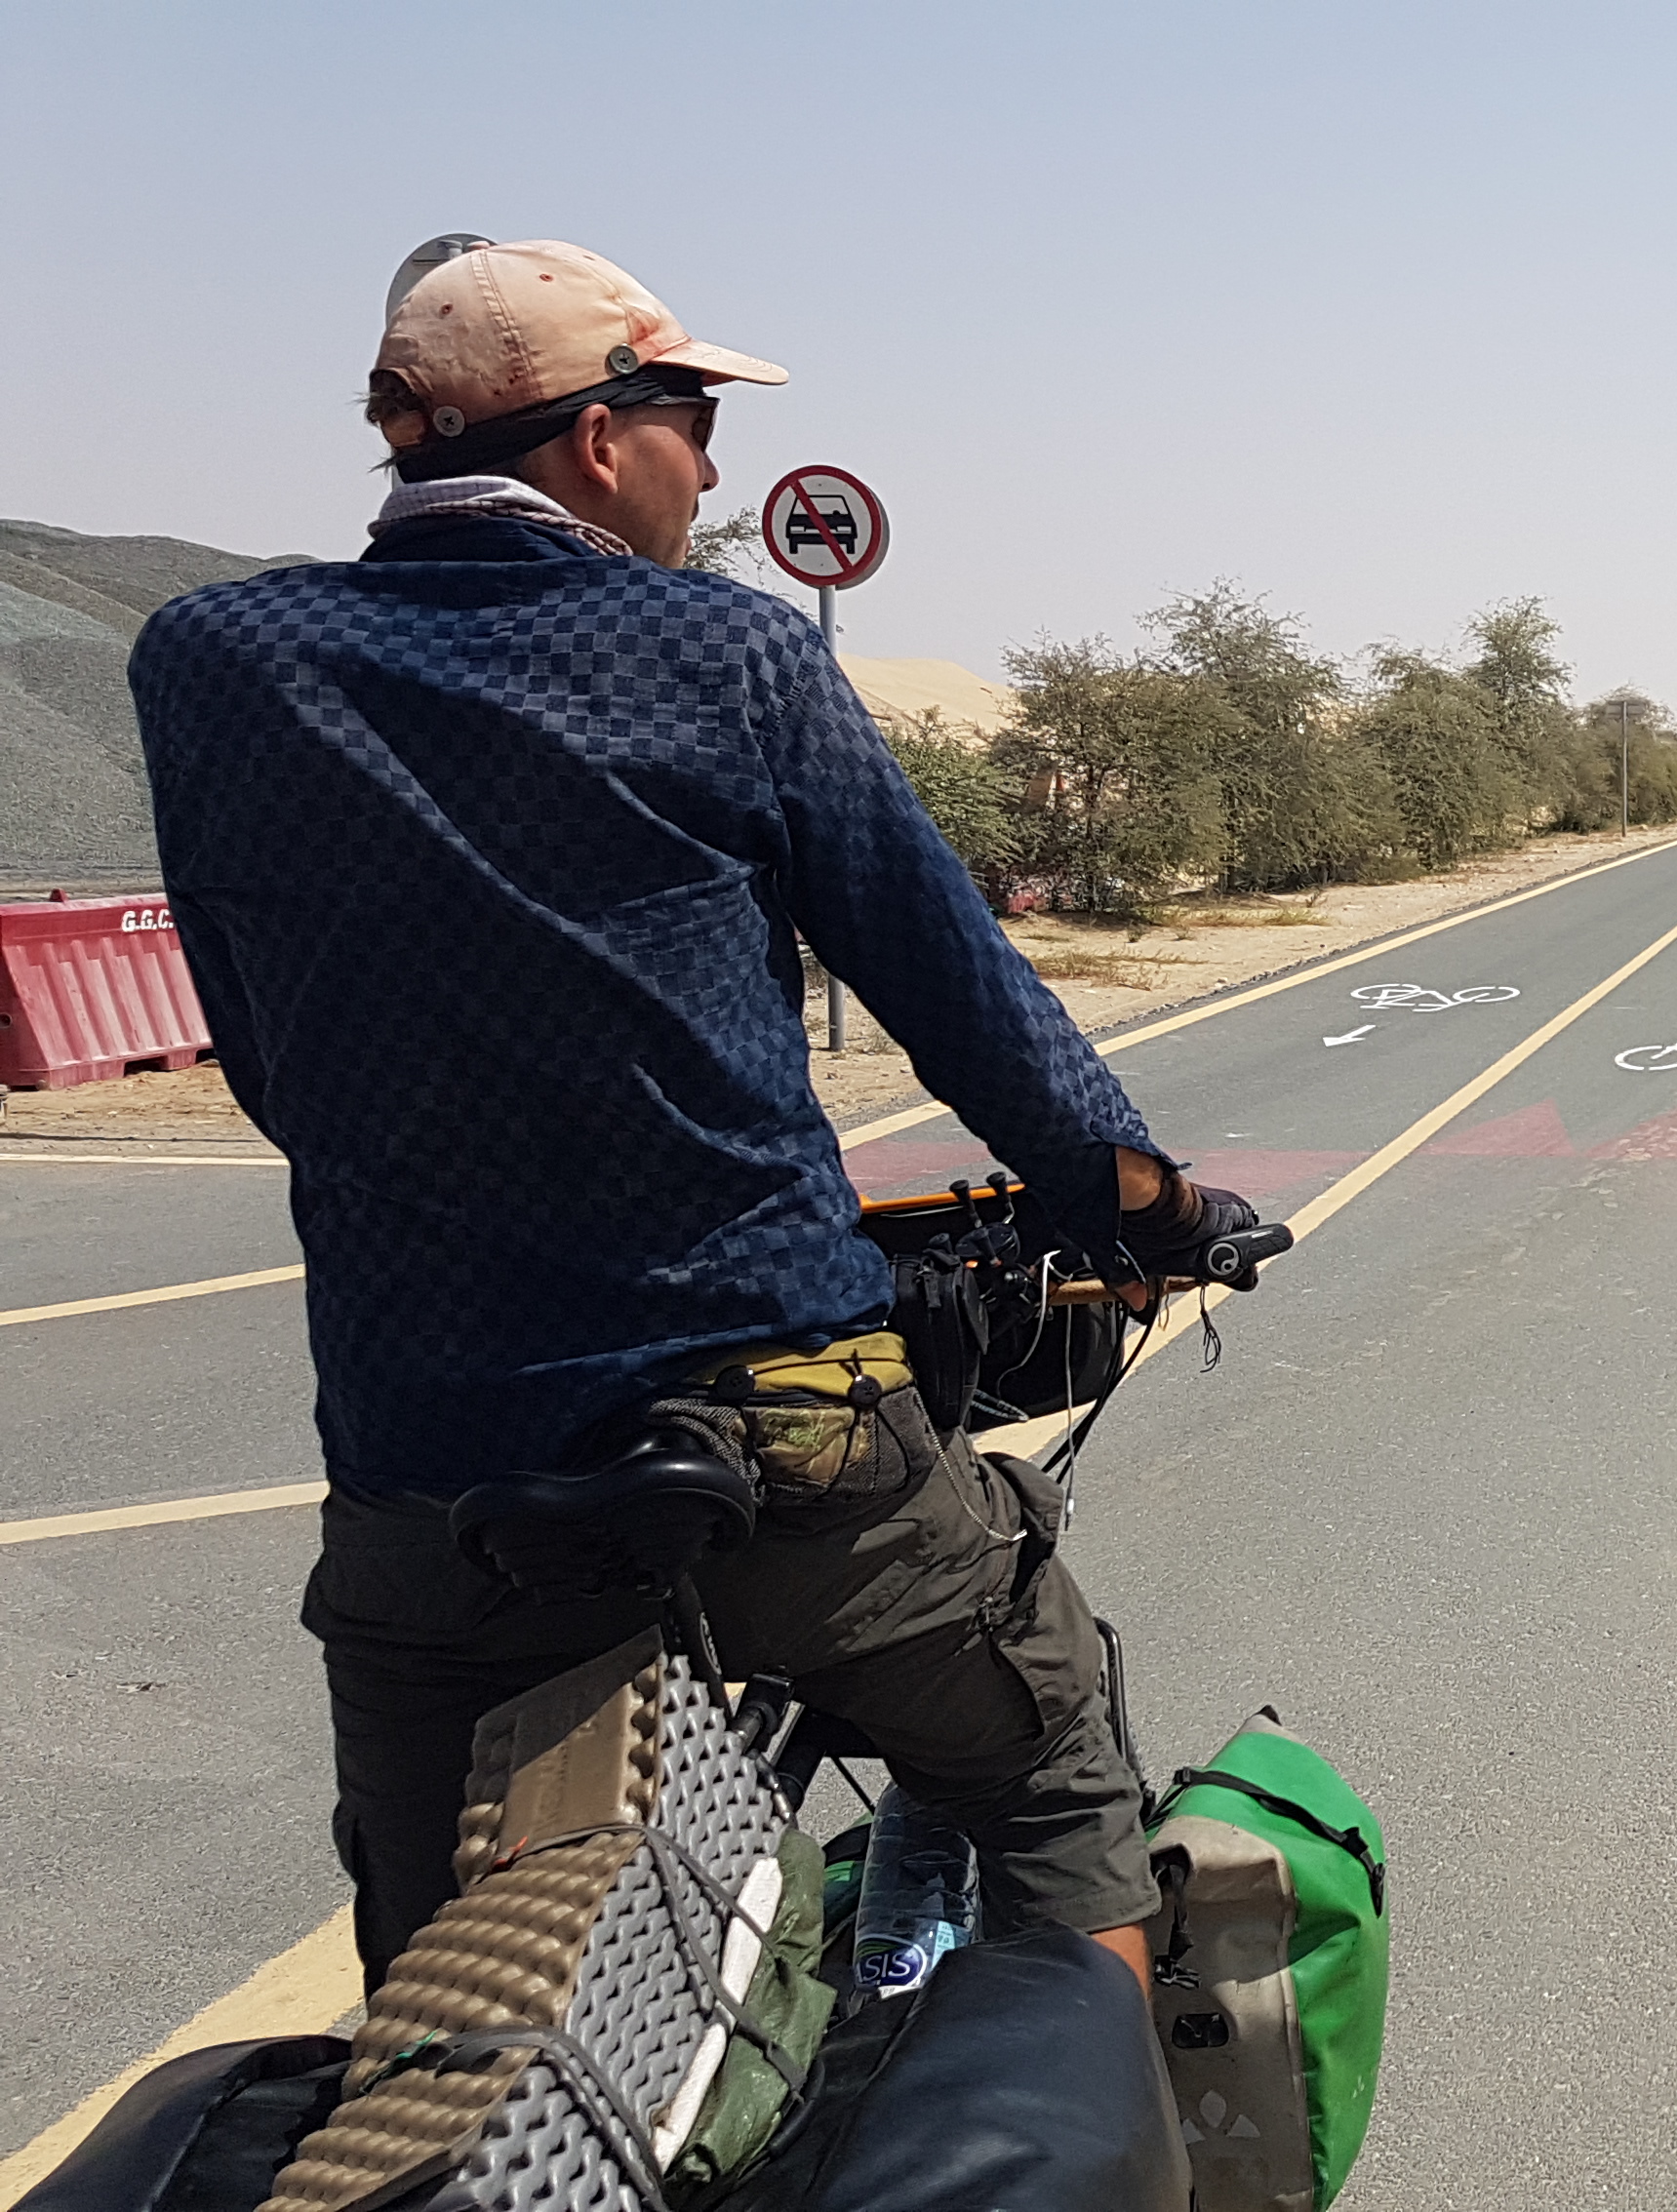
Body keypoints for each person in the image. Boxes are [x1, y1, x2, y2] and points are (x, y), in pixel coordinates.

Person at [125, 238, 1251, 1996]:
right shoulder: (728, 656)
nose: (712, 466)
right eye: (693, 417)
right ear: (592, 438)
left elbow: (269, 1053)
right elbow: (973, 1011)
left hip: (439, 1461)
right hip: (776, 1429)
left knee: (438, 1965)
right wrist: (1153, 1209)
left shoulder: (211, 658)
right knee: (1046, 1781)